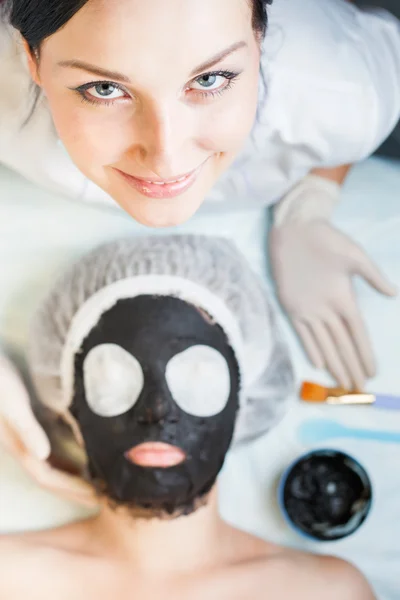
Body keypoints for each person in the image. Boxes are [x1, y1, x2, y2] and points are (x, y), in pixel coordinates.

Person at [0, 0, 399, 458]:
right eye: (105, 88)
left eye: (209, 80)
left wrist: (312, 200)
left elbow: (353, 113)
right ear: (31, 58)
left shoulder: (342, 88)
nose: (165, 159)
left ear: (259, 38)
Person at [0, 236, 374, 599]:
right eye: (112, 379)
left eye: (199, 378)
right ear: (70, 406)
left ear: (243, 402)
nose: (157, 410)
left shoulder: (325, 592)